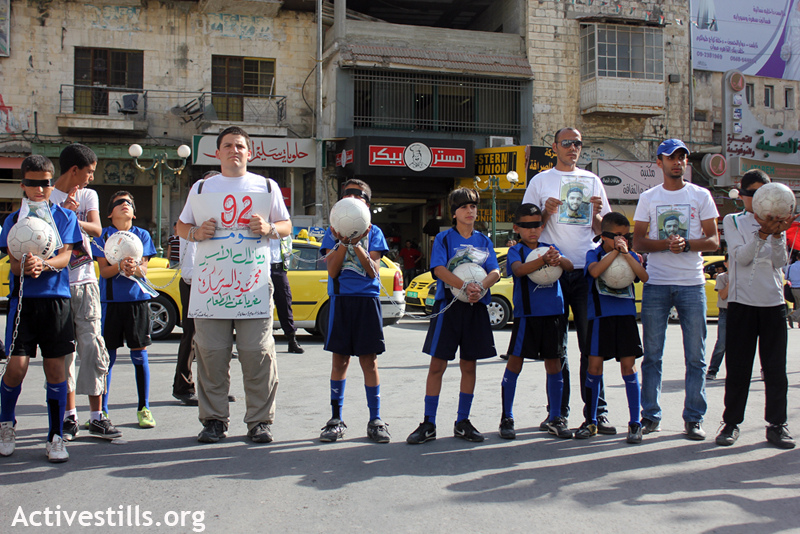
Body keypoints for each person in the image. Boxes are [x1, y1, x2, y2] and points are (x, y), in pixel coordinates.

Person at [177, 126, 291, 444]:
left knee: (257, 354)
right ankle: (214, 420)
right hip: (211, 286)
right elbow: (181, 224)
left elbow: (286, 225)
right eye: (227, 145)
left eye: (240, 145)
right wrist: (195, 233)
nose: (234, 150)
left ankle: (259, 422)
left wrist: (269, 227)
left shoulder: (266, 186)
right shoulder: (201, 188)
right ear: (217, 153)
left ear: (249, 152)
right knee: (211, 354)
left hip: (252, 285)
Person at [522, 127, 615, 436]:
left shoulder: (592, 181)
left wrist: (596, 217)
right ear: (554, 147)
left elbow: (605, 233)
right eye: (567, 143)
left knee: (592, 346)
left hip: (588, 272)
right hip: (554, 271)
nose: (573, 148)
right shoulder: (540, 181)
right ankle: (558, 413)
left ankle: (596, 413)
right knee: (556, 347)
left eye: (577, 143)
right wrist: (546, 214)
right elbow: (528, 229)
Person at [633, 139, 719, 440]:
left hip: (692, 284)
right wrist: (666, 246)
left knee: (696, 356)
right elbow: (638, 242)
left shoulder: (701, 195)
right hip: (656, 283)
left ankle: (694, 417)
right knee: (652, 356)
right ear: (659, 163)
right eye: (671, 158)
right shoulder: (648, 197)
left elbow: (713, 241)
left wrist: (686, 246)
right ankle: (650, 416)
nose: (677, 162)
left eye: (682, 157)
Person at [0, 154, 82, 462]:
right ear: (22, 185)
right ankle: (6, 422)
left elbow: (67, 256)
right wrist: (25, 267)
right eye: (33, 184)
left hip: (56, 300)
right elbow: (14, 263)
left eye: (45, 183)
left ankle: (55, 435)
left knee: (55, 367)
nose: (39, 189)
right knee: (17, 367)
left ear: (51, 183)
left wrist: (44, 264)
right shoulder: (12, 220)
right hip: (23, 301)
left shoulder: (64, 217)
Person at [407, 187, 501, 444]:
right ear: (454, 213)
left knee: (469, 365)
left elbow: (495, 271)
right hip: (448, 306)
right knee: (437, 365)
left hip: (475, 306)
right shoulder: (444, 239)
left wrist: (480, 287)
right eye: (463, 207)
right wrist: (463, 285)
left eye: (473, 206)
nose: (470, 211)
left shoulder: (484, 240)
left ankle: (463, 421)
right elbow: (438, 269)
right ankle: (428, 422)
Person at [715, 169, 796, 449]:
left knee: (775, 370)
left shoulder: (778, 224)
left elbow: (779, 262)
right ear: (743, 195)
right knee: (738, 368)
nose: (762, 200)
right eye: (754, 194)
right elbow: (740, 257)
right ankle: (731, 423)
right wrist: (762, 233)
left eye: (766, 192)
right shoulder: (733, 220)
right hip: (741, 304)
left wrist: (775, 236)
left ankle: (777, 425)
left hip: (773, 304)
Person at [50, 144, 120, 440]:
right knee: (64, 352)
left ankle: (97, 415)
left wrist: (70, 217)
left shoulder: (87, 195)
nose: (92, 177)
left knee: (92, 347)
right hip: (58, 285)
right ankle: (69, 416)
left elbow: (95, 228)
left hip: (86, 282)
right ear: (74, 170)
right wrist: (60, 213)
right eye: (89, 172)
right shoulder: (46, 196)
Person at [318, 179, 391, 443]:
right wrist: (342, 243)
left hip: (367, 300)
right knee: (340, 361)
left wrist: (358, 244)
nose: (352, 199)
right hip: (341, 299)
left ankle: (376, 419)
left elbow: (373, 271)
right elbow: (332, 269)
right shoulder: (332, 231)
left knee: (369, 361)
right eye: (347, 195)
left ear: (367, 204)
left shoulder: (375, 232)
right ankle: (336, 418)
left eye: (358, 196)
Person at [498, 203, 574, 440]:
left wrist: (558, 259)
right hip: (527, 317)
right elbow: (519, 271)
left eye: (537, 225)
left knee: (554, 364)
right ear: (516, 228)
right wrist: (544, 261)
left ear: (542, 226)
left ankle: (555, 417)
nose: (533, 230)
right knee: (515, 363)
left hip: (553, 315)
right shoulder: (516, 251)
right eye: (527, 226)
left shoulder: (550, 248)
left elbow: (569, 267)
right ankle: (507, 417)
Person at [580, 212, 649, 443]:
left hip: (625, 318)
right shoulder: (594, 253)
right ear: (604, 236)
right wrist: (613, 253)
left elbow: (643, 276)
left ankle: (634, 423)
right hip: (600, 317)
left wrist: (626, 254)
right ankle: (591, 420)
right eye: (617, 236)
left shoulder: (632, 255)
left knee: (629, 368)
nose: (622, 240)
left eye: (625, 236)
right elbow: (595, 271)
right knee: (594, 367)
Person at [93, 191, 157, 429]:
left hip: (136, 302)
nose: (125, 205)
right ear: (110, 213)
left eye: (129, 203)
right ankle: (102, 411)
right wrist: (119, 265)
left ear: (134, 211)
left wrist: (134, 268)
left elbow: (144, 271)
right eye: (119, 202)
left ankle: (144, 408)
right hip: (110, 304)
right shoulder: (102, 236)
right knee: (107, 358)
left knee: (139, 356)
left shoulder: (142, 235)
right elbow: (104, 271)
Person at [271, 234, 304, 354]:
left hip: (279, 269)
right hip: (261, 269)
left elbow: (288, 249)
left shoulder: (283, 231)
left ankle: (292, 340)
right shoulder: (259, 227)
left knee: (285, 304)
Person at [706, 257, 729, 381]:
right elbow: (723, 295)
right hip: (725, 312)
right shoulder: (722, 277)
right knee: (721, 343)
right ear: (726, 264)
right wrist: (732, 281)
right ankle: (713, 369)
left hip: (740, 312)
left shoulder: (744, 277)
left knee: (740, 344)